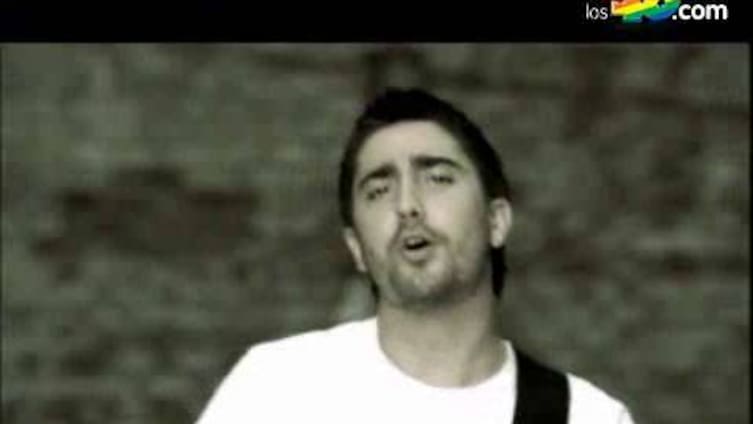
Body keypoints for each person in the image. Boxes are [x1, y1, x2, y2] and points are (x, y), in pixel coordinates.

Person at [195, 88, 635, 424]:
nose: (406, 205)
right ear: (356, 248)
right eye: (379, 190)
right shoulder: (278, 387)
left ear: (496, 221)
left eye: (437, 178)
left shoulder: (586, 416)